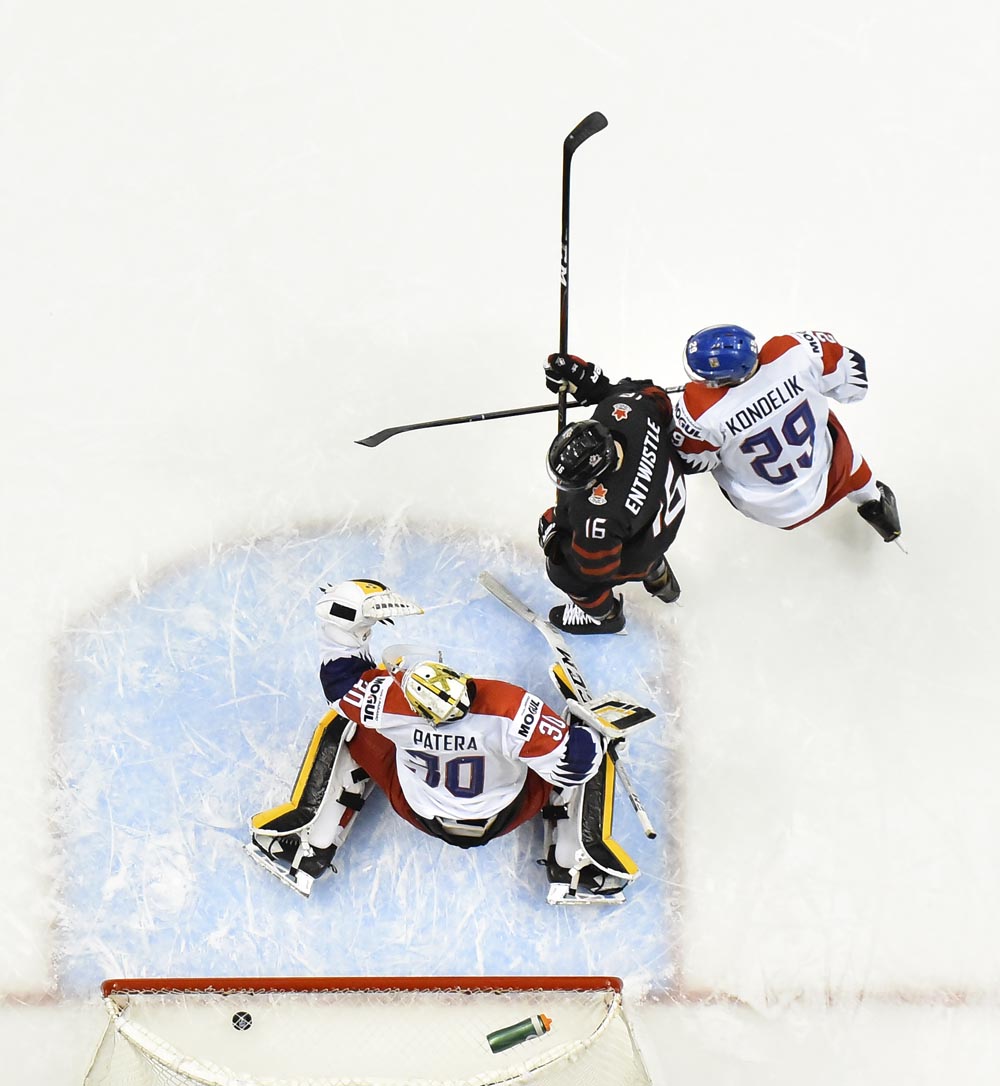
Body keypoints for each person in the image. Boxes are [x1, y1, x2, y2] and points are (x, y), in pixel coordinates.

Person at [246, 578, 639, 902]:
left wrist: (352, 616)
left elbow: (339, 676)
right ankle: (578, 861)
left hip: (418, 809)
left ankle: (308, 841)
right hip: (505, 814)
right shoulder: (509, 707)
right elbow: (573, 766)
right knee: (589, 747)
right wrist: (592, 732)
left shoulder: (391, 702)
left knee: (343, 724)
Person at [671, 325, 901, 541]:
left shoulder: (697, 408)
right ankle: (875, 506)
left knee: (720, 448)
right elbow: (856, 384)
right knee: (831, 431)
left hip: (770, 509)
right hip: (832, 473)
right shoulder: (793, 351)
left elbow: (694, 463)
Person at [538, 355, 688, 635]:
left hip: (643, 545)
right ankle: (659, 578)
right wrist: (593, 386)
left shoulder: (597, 515)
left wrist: (555, 534)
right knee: (636, 531)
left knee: (564, 574)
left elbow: (595, 570)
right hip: (662, 512)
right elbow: (656, 397)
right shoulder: (628, 409)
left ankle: (606, 616)